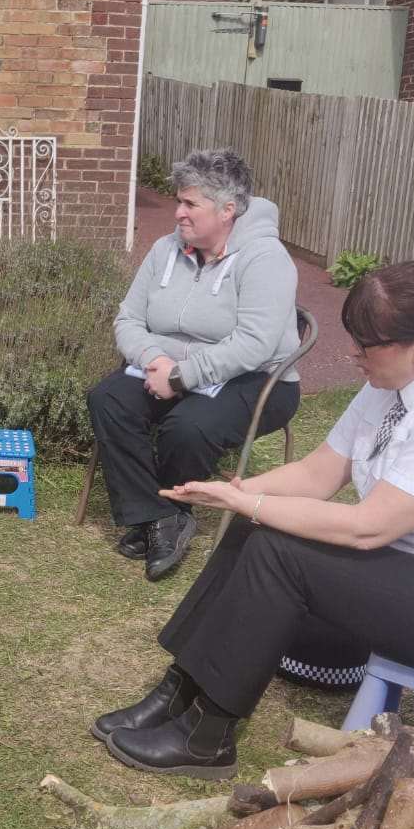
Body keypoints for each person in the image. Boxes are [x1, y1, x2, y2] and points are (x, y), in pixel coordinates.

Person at [91, 261, 414, 779]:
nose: (354, 354)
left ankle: (208, 735)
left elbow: (369, 528)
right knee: (256, 524)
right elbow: (318, 474)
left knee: (280, 549)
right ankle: (178, 690)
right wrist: (235, 492)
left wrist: (249, 505)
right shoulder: (392, 383)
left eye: (367, 344)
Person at [88, 148, 301, 583]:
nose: (178, 213)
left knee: (188, 426)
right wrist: (156, 360)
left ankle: (167, 513)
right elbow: (128, 318)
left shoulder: (266, 259)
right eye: (178, 201)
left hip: (258, 379)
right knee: (107, 399)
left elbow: (255, 344)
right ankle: (157, 517)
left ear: (228, 210)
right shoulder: (165, 249)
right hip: (167, 368)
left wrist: (182, 377)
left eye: (190, 204)